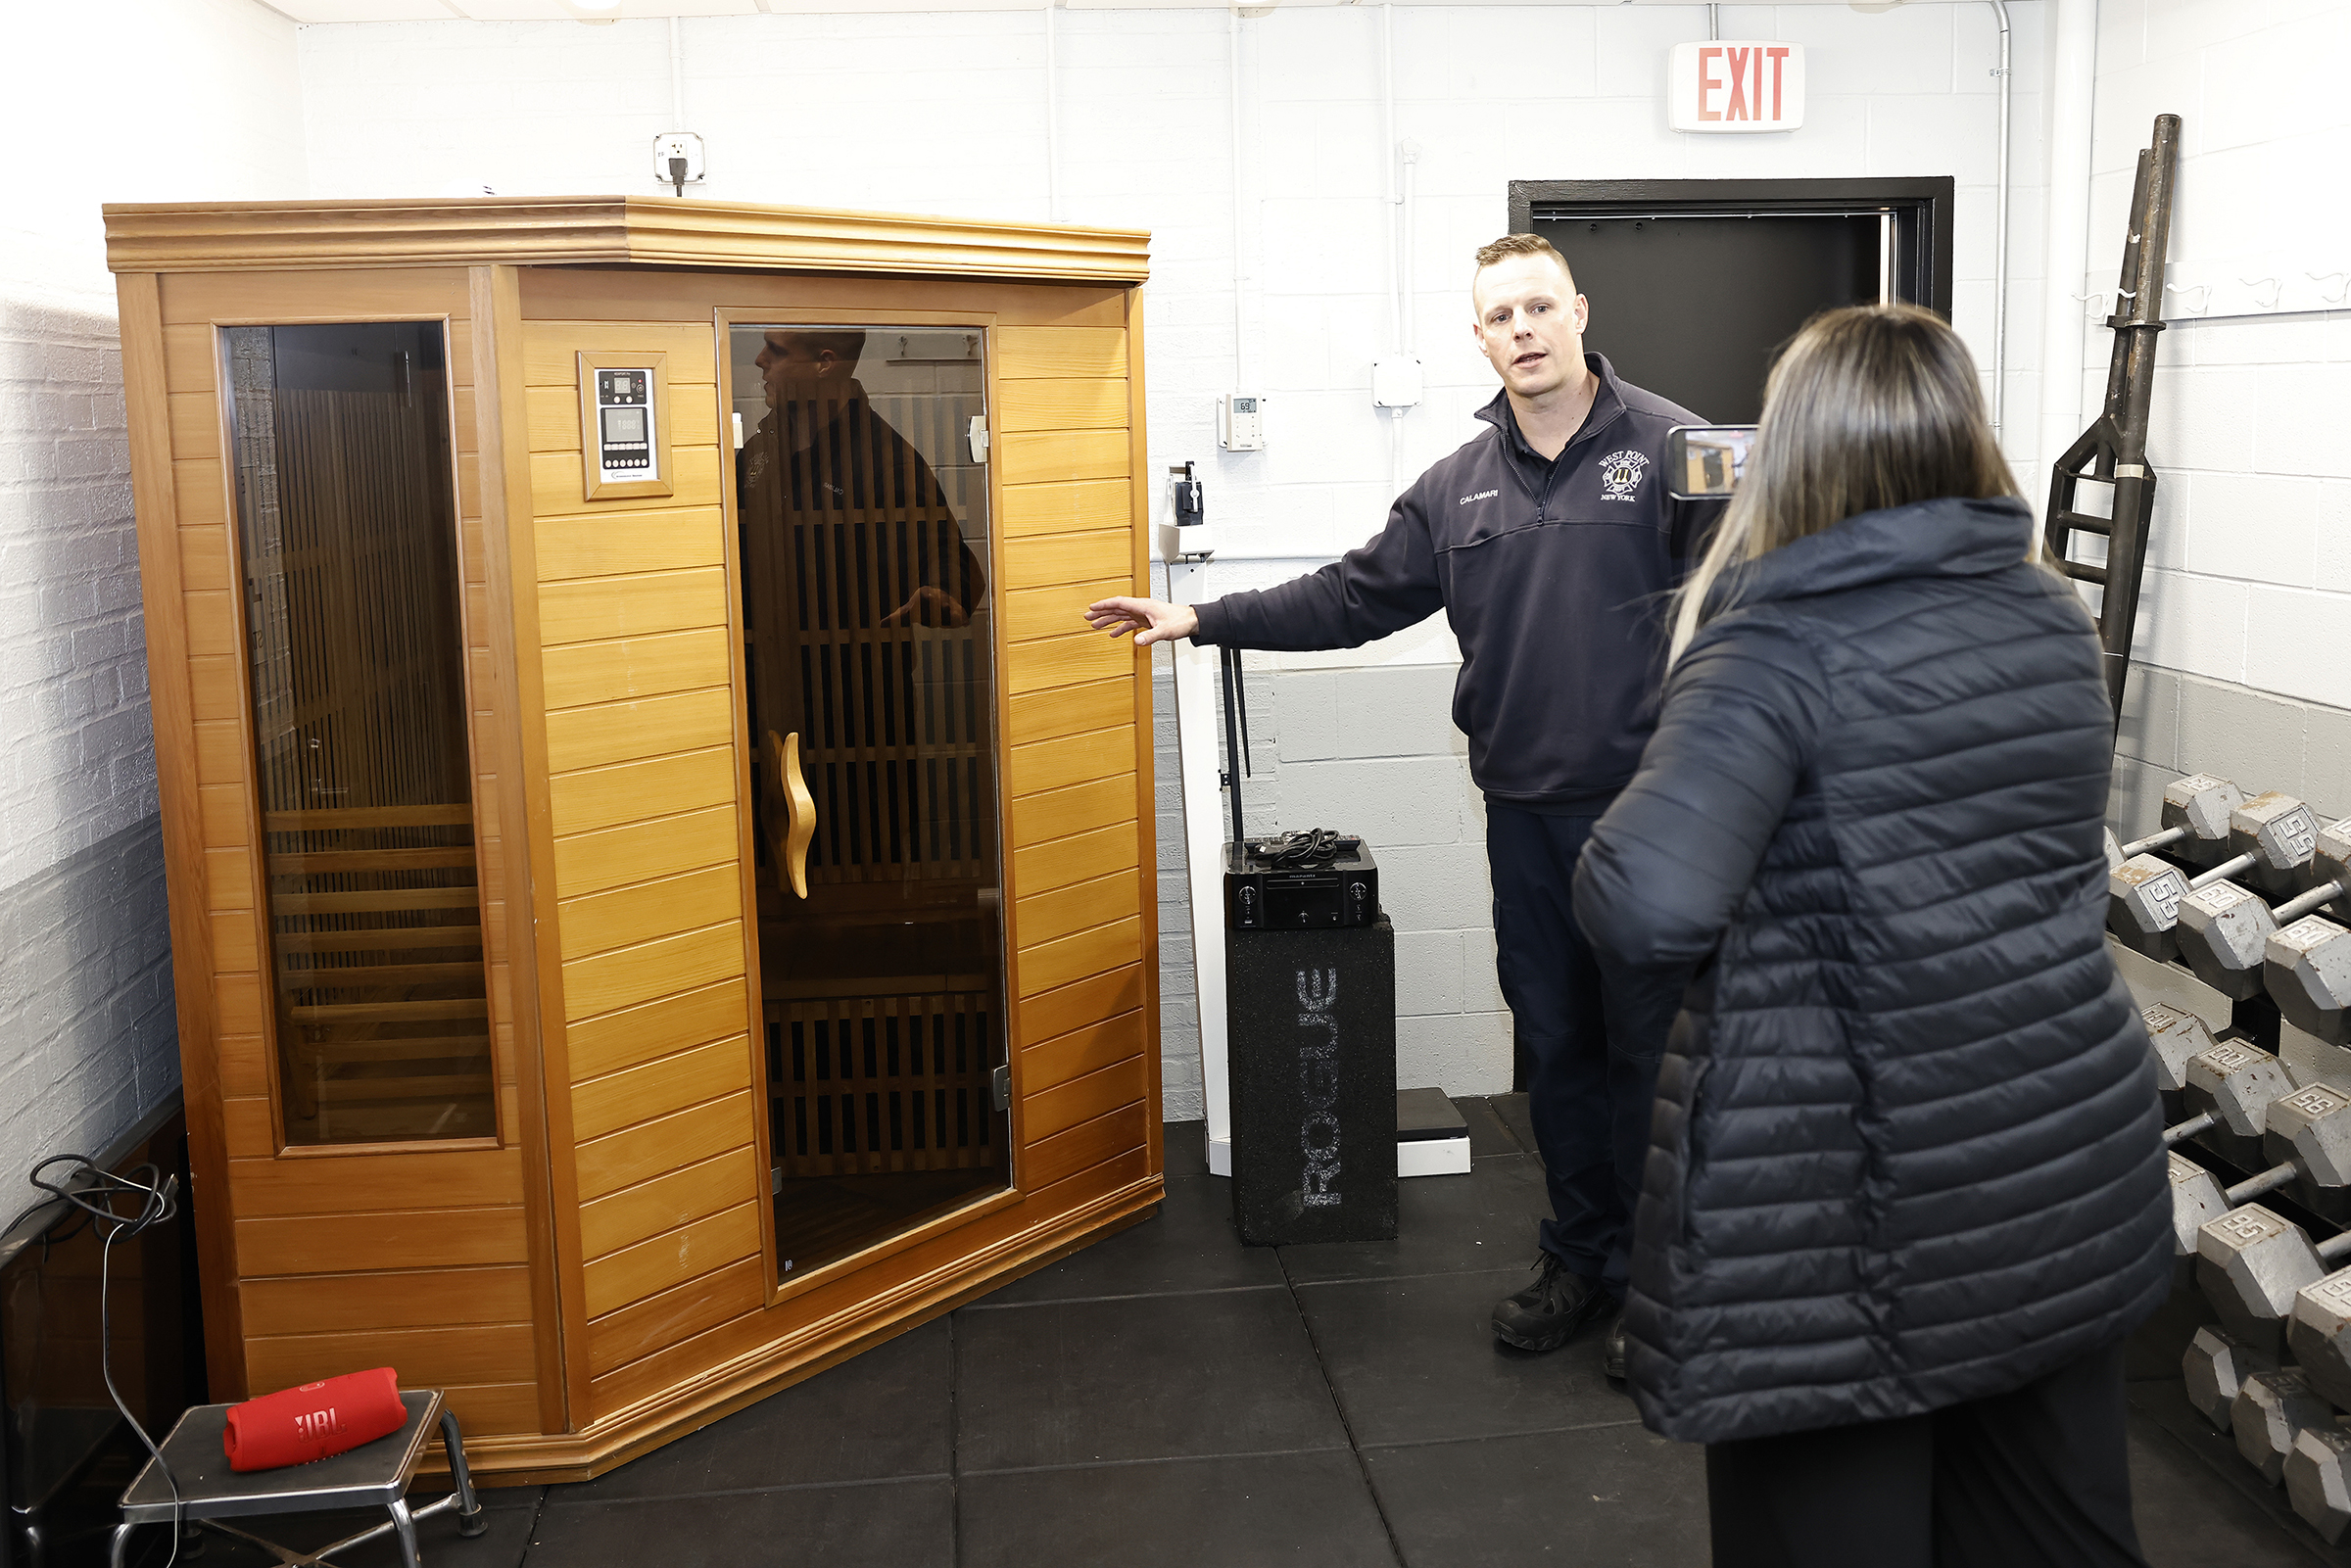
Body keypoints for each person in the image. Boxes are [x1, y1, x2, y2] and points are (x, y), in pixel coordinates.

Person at [1570, 304, 2170, 1567]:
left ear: (1793, 448)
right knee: (2050, 1532)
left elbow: (1646, 903)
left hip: (1849, 1193)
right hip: (2056, 1154)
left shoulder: (1772, 644)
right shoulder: (2051, 616)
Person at [1083, 234, 1723, 1364]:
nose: (1522, 330)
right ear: (1478, 338)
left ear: (1578, 310)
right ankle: (1583, 1259)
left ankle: (1669, 1296)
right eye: (1499, 316)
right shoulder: (1455, 486)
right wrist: (1206, 616)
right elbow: (1352, 595)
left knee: (1657, 1057)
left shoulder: (1675, 448)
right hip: (1524, 818)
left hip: (1653, 818)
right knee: (1559, 1045)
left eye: (1538, 306)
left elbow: (1744, 609)